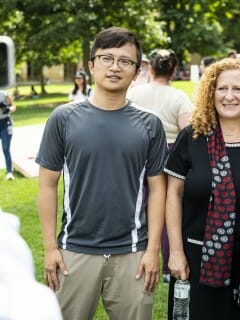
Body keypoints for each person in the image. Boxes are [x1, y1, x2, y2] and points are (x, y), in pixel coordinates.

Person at [36, 26, 168, 320]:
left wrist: (152, 250)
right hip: (74, 252)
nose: (115, 67)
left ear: (136, 72)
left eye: (125, 61)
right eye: (106, 58)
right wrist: (49, 248)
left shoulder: (150, 124)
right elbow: (47, 185)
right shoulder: (63, 118)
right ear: (91, 65)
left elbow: (158, 189)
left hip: (133, 253)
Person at [165, 58, 240, 320]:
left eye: (238, 89)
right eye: (222, 89)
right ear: (212, 92)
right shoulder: (192, 137)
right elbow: (172, 194)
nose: (229, 96)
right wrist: (175, 252)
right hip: (196, 258)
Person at [127, 48, 193, 284]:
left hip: (138, 152)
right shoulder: (179, 97)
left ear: (151, 68)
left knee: (140, 205)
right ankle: (165, 266)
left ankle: (137, 252)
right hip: (169, 154)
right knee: (165, 207)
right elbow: (187, 131)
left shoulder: (135, 93)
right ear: (174, 70)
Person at [0, 90, 16, 180]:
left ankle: (9, 172)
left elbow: (13, 106)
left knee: (6, 148)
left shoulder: (3, 94)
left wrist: (8, 108)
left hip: (5, 122)